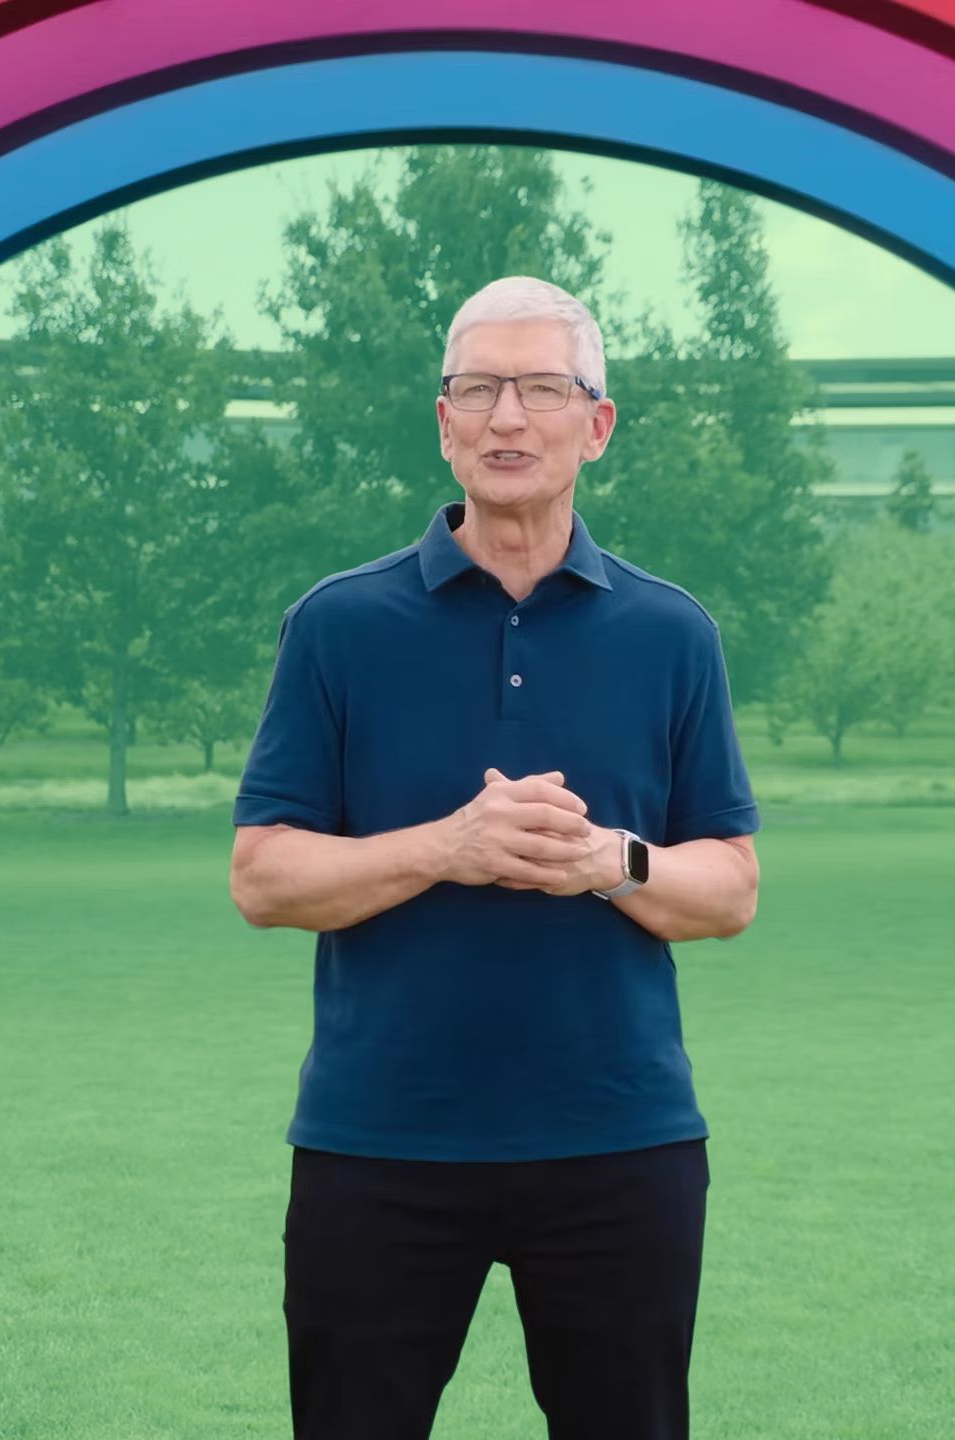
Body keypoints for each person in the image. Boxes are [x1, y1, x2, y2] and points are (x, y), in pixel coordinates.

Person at [227, 274, 763, 1438]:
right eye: (477, 390)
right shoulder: (340, 624)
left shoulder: (672, 634)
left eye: (539, 389)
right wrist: (447, 846)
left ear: (597, 424)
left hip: (620, 1146)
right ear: (443, 424)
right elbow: (262, 878)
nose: (506, 418)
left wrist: (610, 862)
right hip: (379, 1145)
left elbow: (728, 891)